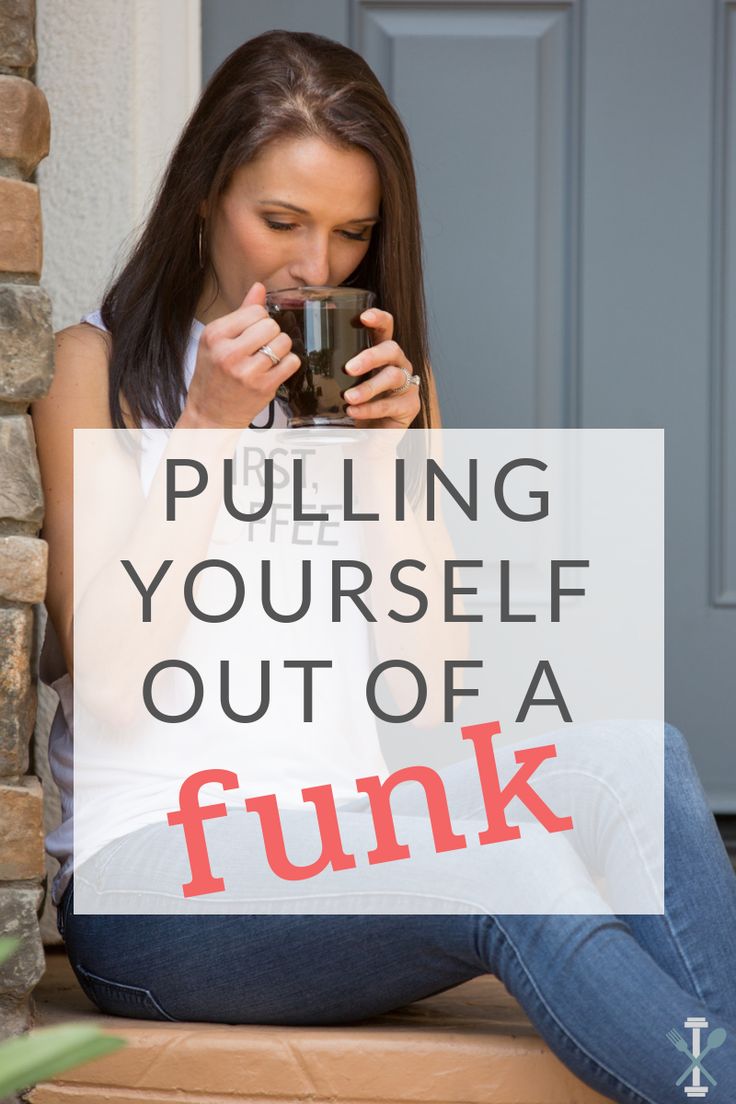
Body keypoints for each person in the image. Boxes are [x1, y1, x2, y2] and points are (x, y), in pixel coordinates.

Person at [31, 30, 736, 1104]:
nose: (316, 268)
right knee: (508, 863)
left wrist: (392, 472)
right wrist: (212, 428)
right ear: (205, 195)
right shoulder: (93, 370)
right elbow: (120, 680)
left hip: (348, 841)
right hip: (157, 888)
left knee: (640, 760)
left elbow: (428, 686)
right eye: (280, 222)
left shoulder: (382, 395)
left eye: (350, 233)